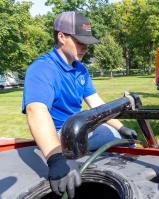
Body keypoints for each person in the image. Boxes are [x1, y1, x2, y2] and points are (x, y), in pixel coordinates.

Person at [22, 11, 137, 198]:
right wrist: (55, 159)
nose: (85, 47)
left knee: (120, 139)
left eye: (87, 43)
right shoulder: (42, 68)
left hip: (80, 130)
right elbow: (35, 110)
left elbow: (96, 104)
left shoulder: (80, 69)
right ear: (61, 37)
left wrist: (122, 128)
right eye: (80, 41)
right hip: (59, 137)